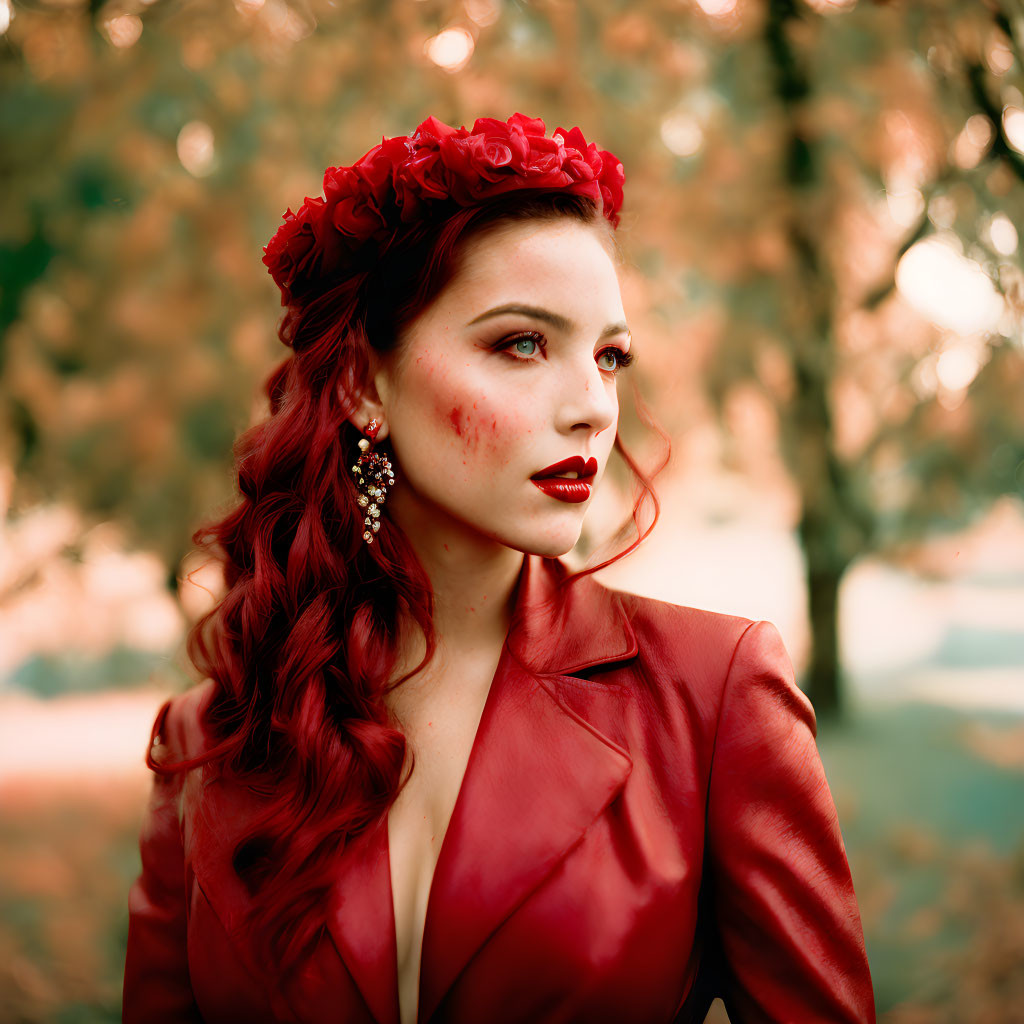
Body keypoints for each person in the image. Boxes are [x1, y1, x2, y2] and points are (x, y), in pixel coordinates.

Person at [122, 113, 876, 1024]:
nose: (594, 406)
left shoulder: (715, 700)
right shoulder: (208, 741)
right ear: (363, 382)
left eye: (610, 356)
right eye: (522, 343)